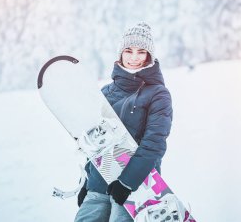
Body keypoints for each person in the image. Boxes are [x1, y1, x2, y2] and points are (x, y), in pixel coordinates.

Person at [74, 22, 173, 222]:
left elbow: (154, 145)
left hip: (136, 188)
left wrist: (127, 183)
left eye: (141, 52)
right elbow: (95, 144)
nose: (134, 58)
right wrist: (86, 183)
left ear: (149, 56)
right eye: (129, 50)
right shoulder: (105, 93)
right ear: (120, 53)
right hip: (98, 184)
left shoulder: (158, 94)